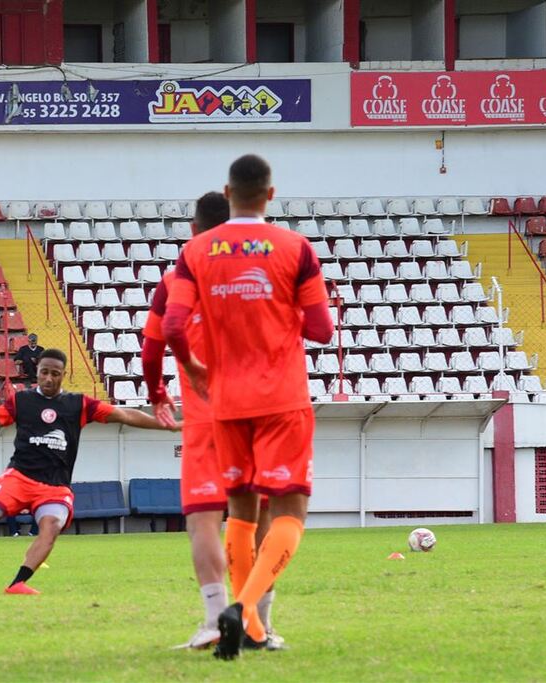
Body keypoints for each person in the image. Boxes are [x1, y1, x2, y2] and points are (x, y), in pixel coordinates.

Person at [163, 155, 333, 659]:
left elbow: (173, 327)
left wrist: (193, 369)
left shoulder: (195, 251)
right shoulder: (294, 247)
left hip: (225, 401)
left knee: (238, 515)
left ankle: (248, 628)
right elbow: (322, 330)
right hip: (281, 397)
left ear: (227, 191)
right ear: (270, 194)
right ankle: (247, 609)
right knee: (286, 512)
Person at [0, 349, 179, 594]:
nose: (48, 378)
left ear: (63, 375)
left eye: (54, 374)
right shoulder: (21, 401)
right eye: (44, 372)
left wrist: (163, 424)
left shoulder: (79, 404)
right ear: (38, 372)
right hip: (19, 477)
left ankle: (17, 583)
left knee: (52, 525)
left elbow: (125, 415)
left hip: (55, 487)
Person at [143, 191, 284, 651]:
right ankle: (259, 624)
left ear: (193, 230)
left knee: (204, 520)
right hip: (258, 414)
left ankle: (212, 619)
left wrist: (158, 392)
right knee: (260, 518)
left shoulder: (176, 278)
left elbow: (154, 344)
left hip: (206, 418)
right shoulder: (259, 276)